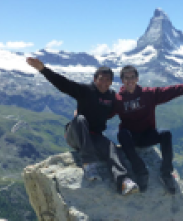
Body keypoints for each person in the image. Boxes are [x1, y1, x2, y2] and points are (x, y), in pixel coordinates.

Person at [26, 58, 139, 196]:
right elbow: (63, 84)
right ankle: (88, 164)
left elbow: (122, 108)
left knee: (111, 148)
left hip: (94, 137)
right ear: (95, 79)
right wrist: (43, 70)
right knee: (80, 119)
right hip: (75, 134)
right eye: (101, 79)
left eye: (107, 80)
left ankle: (123, 181)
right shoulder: (85, 90)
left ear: (111, 82)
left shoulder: (111, 96)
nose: (104, 83)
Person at [113, 65, 183, 194]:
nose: (130, 80)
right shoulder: (118, 99)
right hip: (131, 138)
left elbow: (173, 90)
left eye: (132, 77)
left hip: (148, 135)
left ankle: (166, 173)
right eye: (126, 78)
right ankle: (140, 171)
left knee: (165, 133)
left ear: (137, 78)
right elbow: (103, 112)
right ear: (122, 80)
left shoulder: (149, 94)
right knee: (122, 134)